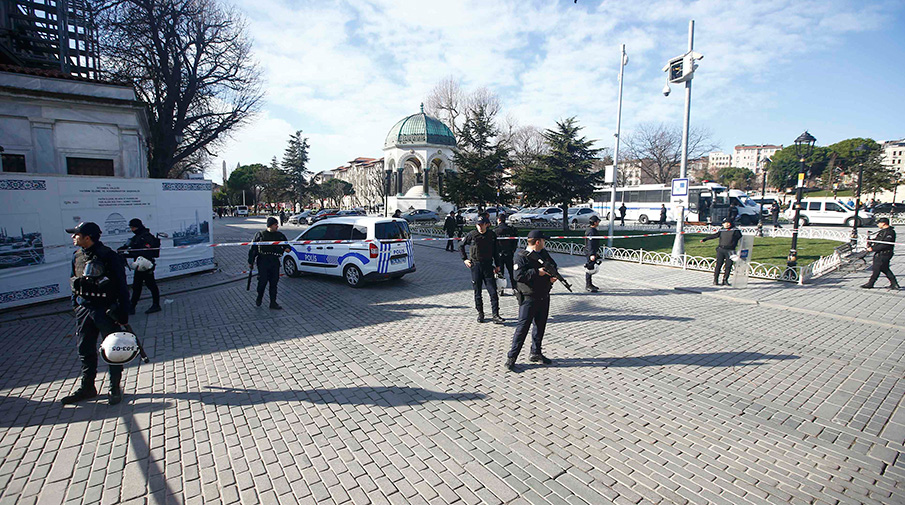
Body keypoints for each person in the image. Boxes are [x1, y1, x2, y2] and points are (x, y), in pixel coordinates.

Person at [62, 222, 131, 405]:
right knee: (85, 350)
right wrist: (76, 306)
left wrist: (123, 313)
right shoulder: (77, 256)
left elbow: (122, 286)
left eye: (76, 234)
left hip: (105, 310)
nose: (73, 237)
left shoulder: (109, 256)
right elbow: (73, 281)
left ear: (87, 237)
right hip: (84, 309)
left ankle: (114, 388)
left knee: (113, 350)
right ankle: (87, 387)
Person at [505, 230, 557, 371]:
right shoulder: (521, 256)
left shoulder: (543, 253)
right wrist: (537, 272)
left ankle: (536, 352)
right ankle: (512, 358)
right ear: (538, 242)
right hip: (529, 297)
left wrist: (552, 277)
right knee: (522, 328)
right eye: (543, 241)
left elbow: (552, 265)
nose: (545, 243)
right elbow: (518, 275)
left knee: (540, 326)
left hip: (543, 295)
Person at [459, 216, 503, 323]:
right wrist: (465, 259)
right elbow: (460, 245)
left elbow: (496, 251)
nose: (480, 227)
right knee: (477, 292)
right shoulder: (472, 235)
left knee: (493, 291)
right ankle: (480, 313)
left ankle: (495, 315)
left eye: (482, 225)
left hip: (488, 266)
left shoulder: (491, 235)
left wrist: (498, 265)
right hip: (476, 266)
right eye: (478, 225)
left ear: (486, 225)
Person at [118, 218, 161, 314]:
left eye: (133, 227)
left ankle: (156, 304)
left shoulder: (146, 237)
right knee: (137, 286)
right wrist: (122, 250)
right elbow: (127, 246)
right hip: (139, 265)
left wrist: (129, 254)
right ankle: (132, 306)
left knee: (151, 285)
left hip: (146, 265)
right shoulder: (136, 237)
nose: (132, 230)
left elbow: (145, 252)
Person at [248, 217, 291, 309]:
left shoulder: (279, 235)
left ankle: (273, 303)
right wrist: (250, 261)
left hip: (274, 261)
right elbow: (253, 249)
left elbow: (287, 245)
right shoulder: (260, 235)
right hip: (263, 261)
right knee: (262, 282)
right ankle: (259, 297)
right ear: (270, 225)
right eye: (275, 225)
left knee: (274, 283)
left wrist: (287, 248)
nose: (277, 226)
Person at [700, 219, 743, 286]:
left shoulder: (735, 231)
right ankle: (715, 280)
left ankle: (725, 280)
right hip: (721, 249)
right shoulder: (722, 230)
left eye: (725, 223)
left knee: (728, 265)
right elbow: (715, 235)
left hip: (730, 250)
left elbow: (741, 239)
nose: (724, 225)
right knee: (718, 265)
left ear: (729, 224)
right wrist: (705, 239)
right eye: (723, 223)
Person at [861, 218, 899, 290]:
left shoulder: (890, 232)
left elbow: (885, 244)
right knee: (884, 268)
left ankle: (870, 283)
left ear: (883, 223)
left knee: (876, 269)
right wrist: (871, 241)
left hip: (884, 254)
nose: (878, 224)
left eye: (879, 223)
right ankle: (894, 284)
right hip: (880, 253)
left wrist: (873, 249)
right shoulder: (883, 231)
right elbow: (879, 240)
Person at [494, 214, 518, 293]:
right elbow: (515, 240)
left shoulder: (495, 230)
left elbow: (493, 243)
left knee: (500, 272)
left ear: (499, 220)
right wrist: (513, 250)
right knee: (511, 271)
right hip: (509, 253)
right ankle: (515, 288)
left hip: (499, 254)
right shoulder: (511, 229)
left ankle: (501, 289)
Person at [584, 215, 602, 292]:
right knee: (589, 268)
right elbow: (590, 243)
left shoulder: (592, 230)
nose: (598, 222)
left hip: (592, 251)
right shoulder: (591, 231)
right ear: (594, 222)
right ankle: (588, 285)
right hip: (590, 251)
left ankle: (590, 284)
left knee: (591, 267)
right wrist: (592, 254)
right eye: (597, 221)